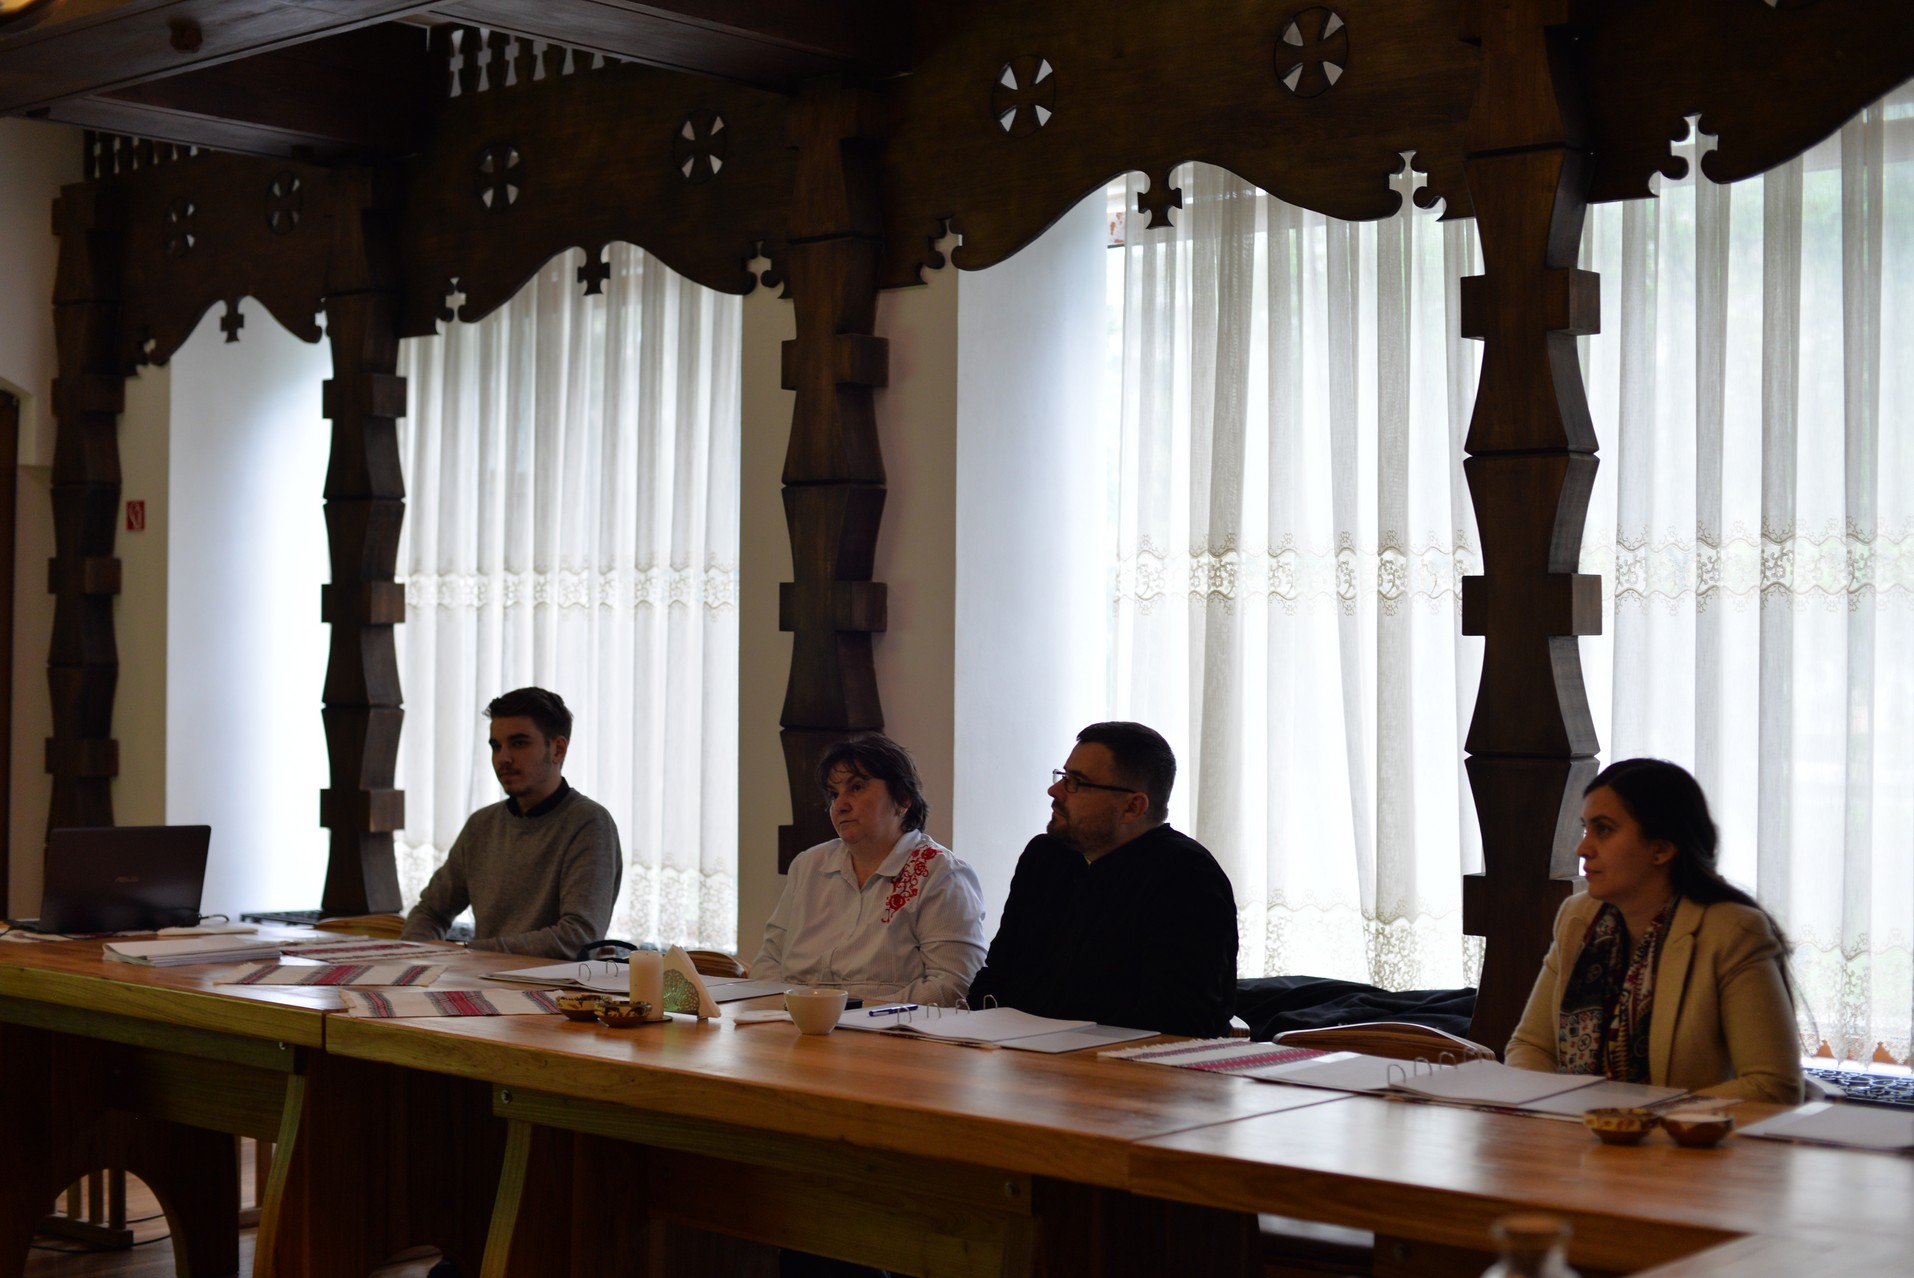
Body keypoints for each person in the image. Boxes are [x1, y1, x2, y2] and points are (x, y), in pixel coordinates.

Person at [1505, 758, 1803, 1103]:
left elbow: (1772, 1085)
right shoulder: (1578, 917)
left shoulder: (1732, 931)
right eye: (1585, 828)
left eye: (1603, 829)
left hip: (1690, 1148)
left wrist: (1636, 1121)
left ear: (1661, 849)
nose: (1582, 848)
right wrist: (1556, 1113)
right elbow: (1531, 1046)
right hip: (1581, 1141)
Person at [967, 721, 1237, 1037]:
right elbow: (997, 975)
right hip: (1025, 1058)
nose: (1054, 791)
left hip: (1128, 1074)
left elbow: (1181, 1019)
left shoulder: (1188, 877)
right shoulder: (1045, 857)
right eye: (1063, 776)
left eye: (1076, 783)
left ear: (1133, 807)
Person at [754, 734, 986, 1007]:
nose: (840, 805)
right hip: (796, 1026)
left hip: (893, 1038)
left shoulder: (941, 874)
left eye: (856, 788)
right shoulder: (808, 866)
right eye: (833, 794)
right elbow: (768, 962)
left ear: (902, 799)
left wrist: (852, 1011)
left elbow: (953, 986)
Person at [401, 687, 622, 959]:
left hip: (553, 997)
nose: (503, 758)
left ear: (558, 749)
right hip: (474, 985)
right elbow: (430, 911)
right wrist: (417, 957)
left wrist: (468, 952)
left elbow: (577, 938)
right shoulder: (481, 825)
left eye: (519, 743)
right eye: (496, 746)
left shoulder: (589, 823)